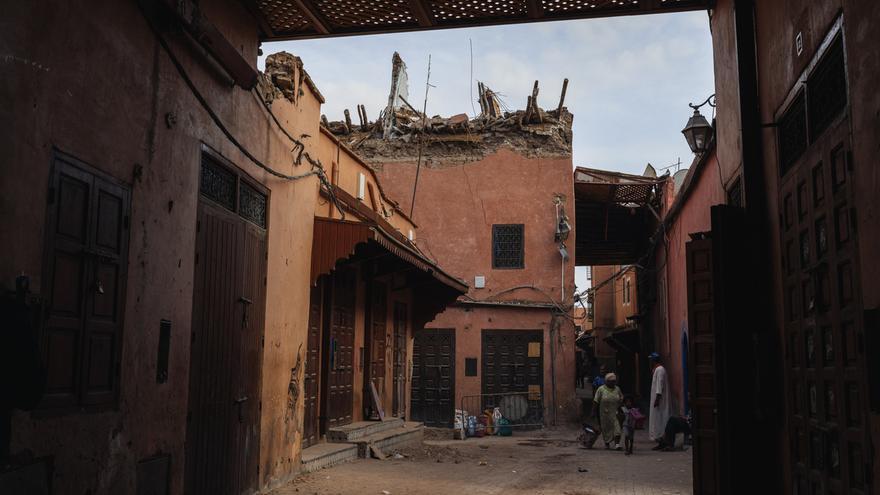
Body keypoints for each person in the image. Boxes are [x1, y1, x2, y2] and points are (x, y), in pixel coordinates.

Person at [593, 372, 623, 450]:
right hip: (604, 413)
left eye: (614, 381)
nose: (613, 383)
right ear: (606, 381)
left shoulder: (617, 389)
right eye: (611, 381)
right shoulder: (601, 389)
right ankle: (607, 443)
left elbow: (621, 399)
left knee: (617, 428)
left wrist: (621, 408)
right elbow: (596, 401)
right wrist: (593, 411)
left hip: (615, 412)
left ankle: (617, 444)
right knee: (606, 428)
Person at [648, 352, 671, 450]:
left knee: (661, 420)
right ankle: (661, 442)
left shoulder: (660, 370)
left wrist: (657, 399)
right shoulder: (657, 370)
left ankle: (664, 441)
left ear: (654, 360)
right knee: (658, 421)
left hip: (660, 401)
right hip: (657, 400)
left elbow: (659, 385)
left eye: (651, 360)